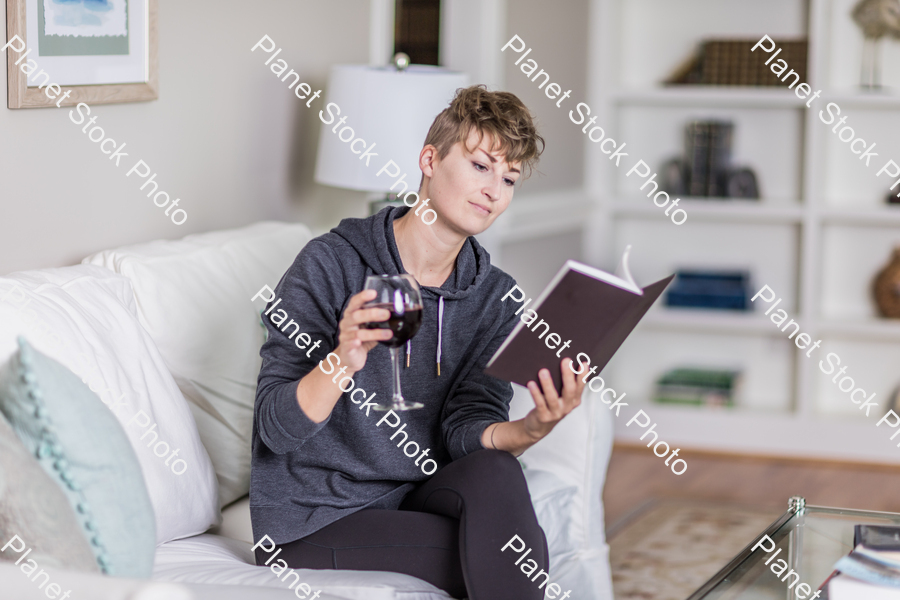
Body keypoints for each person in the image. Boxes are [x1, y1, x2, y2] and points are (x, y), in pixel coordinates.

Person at [251, 84, 586, 599]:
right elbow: (276, 428)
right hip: (315, 517)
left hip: (416, 492)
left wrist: (530, 429)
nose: (494, 190)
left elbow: (464, 429)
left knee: (498, 475)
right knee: (506, 554)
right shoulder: (330, 264)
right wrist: (343, 359)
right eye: (479, 166)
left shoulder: (496, 296)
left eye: (509, 177)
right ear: (430, 160)